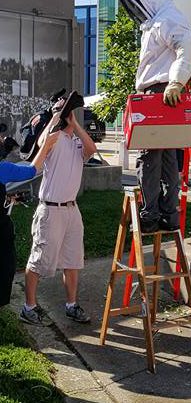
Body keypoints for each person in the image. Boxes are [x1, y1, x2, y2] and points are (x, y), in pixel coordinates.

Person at [113, 0, 191, 233]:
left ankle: (150, 214)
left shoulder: (168, 18)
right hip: (161, 93)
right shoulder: (158, 20)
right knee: (168, 157)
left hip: (160, 94)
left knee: (150, 158)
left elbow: (186, 48)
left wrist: (176, 82)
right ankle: (168, 214)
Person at [20, 106, 97, 325]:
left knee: (72, 261)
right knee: (38, 260)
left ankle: (71, 305)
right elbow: (40, 143)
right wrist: (55, 117)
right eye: (69, 113)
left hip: (72, 210)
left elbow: (91, 149)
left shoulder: (78, 142)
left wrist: (76, 124)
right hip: (50, 209)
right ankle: (29, 307)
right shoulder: (55, 137)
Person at [0, 131, 59, 308]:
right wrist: (47, 144)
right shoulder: (2, 168)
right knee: (3, 271)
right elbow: (31, 171)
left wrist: (7, 198)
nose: (3, 140)